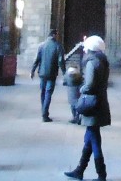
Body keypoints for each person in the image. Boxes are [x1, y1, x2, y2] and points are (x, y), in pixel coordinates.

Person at [64, 35, 111, 181]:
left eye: (86, 47)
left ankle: (101, 174)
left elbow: (90, 85)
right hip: (99, 102)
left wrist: (81, 88)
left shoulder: (92, 62)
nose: (84, 49)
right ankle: (80, 170)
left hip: (92, 104)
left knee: (93, 139)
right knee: (90, 138)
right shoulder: (102, 61)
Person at [30, 28, 65, 121]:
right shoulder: (58, 46)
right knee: (48, 93)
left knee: (43, 92)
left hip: (42, 73)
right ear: (54, 35)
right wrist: (64, 72)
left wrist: (32, 71)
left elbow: (37, 59)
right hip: (52, 73)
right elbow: (61, 61)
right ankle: (45, 114)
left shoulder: (42, 45)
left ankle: (44, 111)